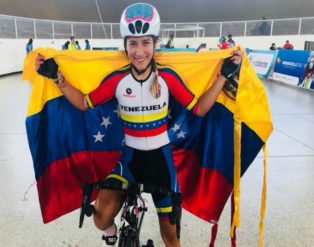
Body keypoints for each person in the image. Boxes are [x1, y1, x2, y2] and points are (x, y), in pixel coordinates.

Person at [35, 3, 241, 247]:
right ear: (125, 46)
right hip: (129, 160)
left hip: (161, 164)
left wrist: (223, 76)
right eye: (133, 43)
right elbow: (82, 102)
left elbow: (199, 109)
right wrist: (56, 76)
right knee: (100, 219)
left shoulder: (168, 77)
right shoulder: (116, 79)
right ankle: (112, 232)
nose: (139, 51)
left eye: (146, 42)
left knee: (171, 239)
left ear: (155, 44)